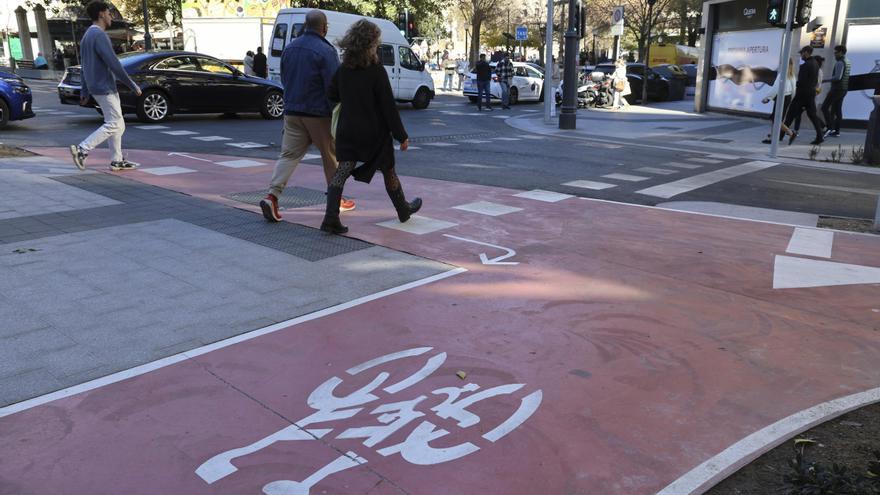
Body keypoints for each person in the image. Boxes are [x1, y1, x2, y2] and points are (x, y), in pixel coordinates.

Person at [319, 19, 420, 235]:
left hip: (348, 130)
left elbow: (331, 94)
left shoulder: (343, 69)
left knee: (341, 172)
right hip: (374, 134)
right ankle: (403, 208)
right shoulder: (376, 70)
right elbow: (388, 107)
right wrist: (401, 135)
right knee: (388, 169)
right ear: (370, 43)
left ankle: (330, 218)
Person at [259, 10, 355, 223]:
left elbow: (285, 77)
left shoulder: (290, 48)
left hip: (292, 111)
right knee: (330, 157)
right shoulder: (326, 51)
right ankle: (335, 199)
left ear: (305, 24)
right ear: (324, 27)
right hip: (318, 114)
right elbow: (332, 87)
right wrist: (339, 115)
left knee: (288, 156)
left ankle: (272, 196)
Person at [69, 1, 142, 172]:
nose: (111, 16)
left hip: (97, 87)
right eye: (109, 13)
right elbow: (114, 64)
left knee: (118, 123)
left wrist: (85, 90)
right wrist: (132, 85)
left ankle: (117, 161)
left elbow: (84, 66)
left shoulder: (87, 35)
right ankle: (82, 149)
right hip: (104, 87)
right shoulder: (99, 35)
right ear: (101, 14)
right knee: (114, 124)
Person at [784, 46, 824, 145]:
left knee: (790, 115)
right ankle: (820, 136)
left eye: (801, 53)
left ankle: (780, 135)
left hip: (802, 94)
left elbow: (801, 82)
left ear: (806, 53)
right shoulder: (815, 64)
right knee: (812, 115)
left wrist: (794, 85)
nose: (801, 55)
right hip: (811, 93)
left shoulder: (806, 65)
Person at [761, 57, 796, 144]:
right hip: (787, 98)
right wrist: (791, 98)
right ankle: (773, 138)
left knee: (776, 119)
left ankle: (790, 133)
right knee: (776, 118)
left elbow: (776, 88)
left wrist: (767, 97)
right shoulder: (792, 75)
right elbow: (794, 89)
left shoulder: (782, 74)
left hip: (781, 98)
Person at [821, 45, 850, 138]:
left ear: (841, 52)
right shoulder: (847, 61)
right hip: (843, 89)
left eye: (836, 52)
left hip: (837, 89)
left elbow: (838, 77)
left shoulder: (840, 63)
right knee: (837, 110)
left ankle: (830, 127)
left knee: (824, 107)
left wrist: (825, 80)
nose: (834, 54)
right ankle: (837, 131)